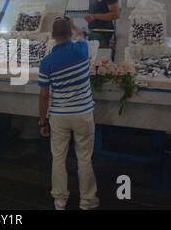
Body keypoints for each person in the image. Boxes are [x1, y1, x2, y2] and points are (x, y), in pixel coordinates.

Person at [38, 17, 99, 211]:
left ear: (53, 36)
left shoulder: (47, 62)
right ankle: (87, 200)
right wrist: (73, 25)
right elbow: (81, 35)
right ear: (69, 33)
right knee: (84, 157)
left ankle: (60, 200)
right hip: (83, 114)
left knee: (58, 157)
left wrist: (42, 121)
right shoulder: (81, 49)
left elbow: (44, 95)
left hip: (59, 116)